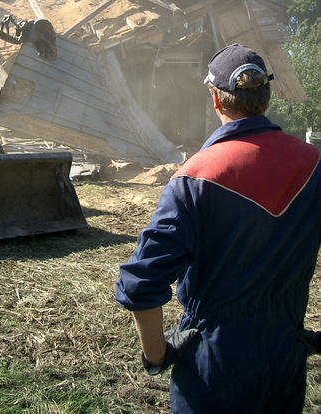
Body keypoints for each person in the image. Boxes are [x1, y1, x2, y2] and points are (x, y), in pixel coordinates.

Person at [115, 44, 321, 414]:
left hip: (212, 366)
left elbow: (141, 282)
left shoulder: (196, 176)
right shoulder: (315, 164)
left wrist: (158, 355)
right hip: (286, 357)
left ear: (216, 99)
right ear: (267, 95)